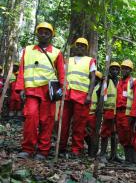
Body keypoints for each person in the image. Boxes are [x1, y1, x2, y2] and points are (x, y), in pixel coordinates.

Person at [15, 22, 65, 160]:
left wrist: (62, 90)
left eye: (46, 32)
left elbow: (61, 73)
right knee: (30, 117)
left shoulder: (56, 52)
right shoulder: (28, 50)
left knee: (47, 121)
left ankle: (43, 151)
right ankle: (27, 148)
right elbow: (21, 70)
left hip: (48, 91)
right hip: (31, 89)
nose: (43, 34)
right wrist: (20, 88)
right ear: (37, 33)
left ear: (51, 35)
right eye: (41, 32)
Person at [59, 37, 96, 157]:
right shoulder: (67, 60)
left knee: (79, 125)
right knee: (63, 122)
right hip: (67, 94)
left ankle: (76, 149)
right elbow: (62, 76)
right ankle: (61, 147)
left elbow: (93, 78)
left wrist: (89, 95)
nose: (80, 47)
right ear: (75, 46)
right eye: (78, 45)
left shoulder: (90, 60)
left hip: (82, 95)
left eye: (83, 46)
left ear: (86, 49)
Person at [116, 59, 136, 165]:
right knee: (123, 137)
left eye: (127, 69)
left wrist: (133, 115)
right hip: (119, 113)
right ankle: (127, 160)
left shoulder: (134, 82)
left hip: (128, 114)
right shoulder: (119, 82)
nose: (124, 70)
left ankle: (133, 161)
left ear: (130, 70)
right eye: (123, 68)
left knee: (131, 137)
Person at [99, 61, 121, 163]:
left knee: (115, 133)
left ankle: (114, 155)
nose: (115, 71)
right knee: (105, 132)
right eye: (113, 69)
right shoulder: (107, 81)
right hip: (109, 110)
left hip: (118, 112)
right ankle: (102, 154)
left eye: (117, 69)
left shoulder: (120, 82)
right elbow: (100, 93)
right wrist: (103, 83)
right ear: (110, 70)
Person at [85, 71, 103, 155]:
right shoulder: (86, 86)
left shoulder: (99, 88)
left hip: (93, 115)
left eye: (97, 79)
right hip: (85, 113)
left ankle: (92, 151)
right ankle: (90, 148)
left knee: (92, 133)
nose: (94, 80)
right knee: (83, 132)